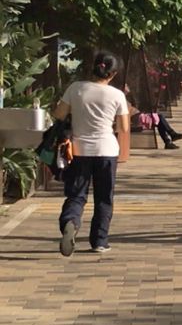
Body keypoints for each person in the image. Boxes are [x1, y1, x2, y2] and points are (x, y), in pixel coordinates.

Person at [51, 51, 130, 256]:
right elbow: (124, 127)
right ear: (113, 73)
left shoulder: (75, 88)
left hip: (79, 150)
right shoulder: (117, 95)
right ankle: (99, 241)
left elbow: (58, 114)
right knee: (104, 197)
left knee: (76, 195)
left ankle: (70, 222)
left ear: (93, 67)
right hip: (107, 150)